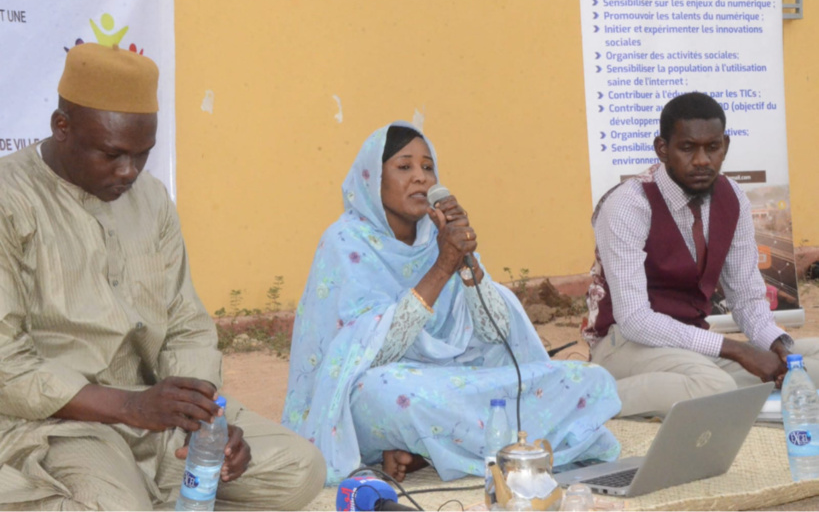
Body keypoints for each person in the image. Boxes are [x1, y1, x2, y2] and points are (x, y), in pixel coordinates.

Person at [0, 43, 325, 510]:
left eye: (142, 154)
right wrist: (130, 408)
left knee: (298, 469)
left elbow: (186, 323)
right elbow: (7, 365)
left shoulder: (151, 200)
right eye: (112, 154)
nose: (129, 171)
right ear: (62, 127)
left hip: (154, 413)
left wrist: (203, 418)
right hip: (57, 422)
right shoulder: (9, 199)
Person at [282, 121, 622, 484]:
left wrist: (464, 261)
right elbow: (372, 356)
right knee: (393, 395)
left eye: (428, 167)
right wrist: (443, 265)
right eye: (404, 166)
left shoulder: (440, 236)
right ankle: (491, 445)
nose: (420, 178)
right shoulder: (345, 242)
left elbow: (496, 332)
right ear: (371, 179)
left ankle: (430, 450)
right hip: (385, 387)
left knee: (587, 380)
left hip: (458, 380)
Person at [582, 91, 819, 418]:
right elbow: (635, 320)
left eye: (713, 147)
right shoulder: (628, 205)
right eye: (687, 148)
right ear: (662, 149)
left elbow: (747, 298)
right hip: (624, 346)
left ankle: (692, 396)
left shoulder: (732, 196)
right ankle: (583, 402)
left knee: (807, 363)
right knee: (714, 386)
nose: (702, 160)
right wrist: (738, 350)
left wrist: (776, 345)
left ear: (726, 145)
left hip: (692, 345)